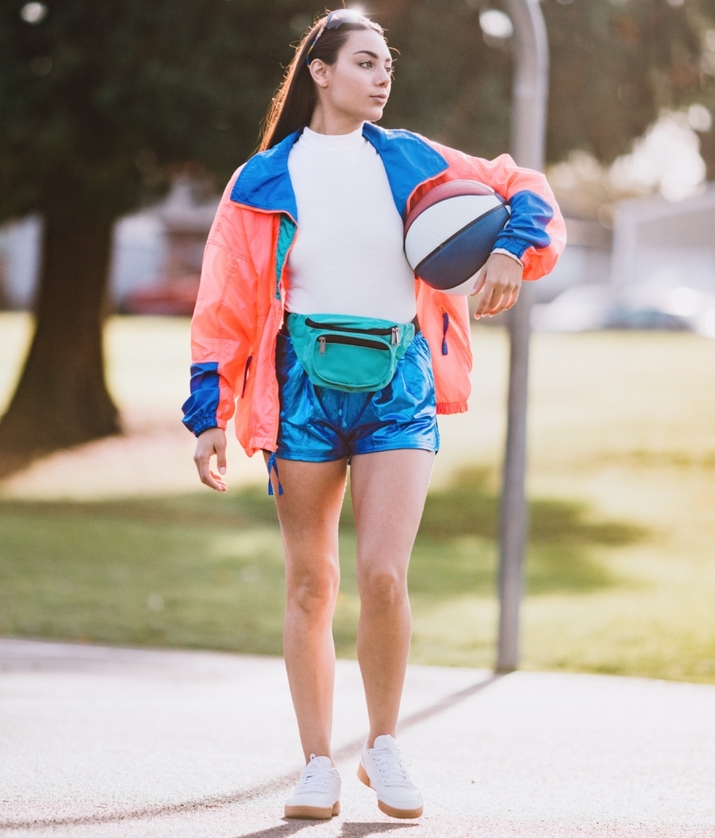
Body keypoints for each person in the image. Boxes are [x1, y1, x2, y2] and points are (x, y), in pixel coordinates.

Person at [182, 9, 565, 822]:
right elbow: (222, 307)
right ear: (320, 73)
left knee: (384, 577)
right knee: (310, 583)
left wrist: (508, 249)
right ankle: (317, 762)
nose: (383, 76)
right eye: (365, 62)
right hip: (303, 392)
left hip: (399, 383)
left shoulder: (415, 159)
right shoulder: (261, 181)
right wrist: (208, 413)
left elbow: (525, 187)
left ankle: (383, 748)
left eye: (387, 63)